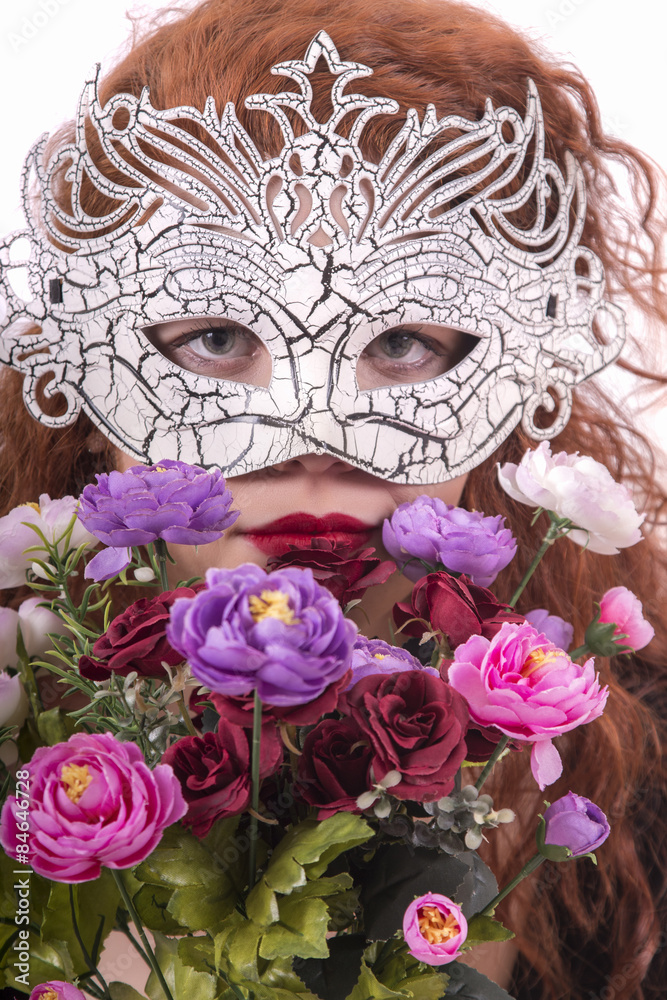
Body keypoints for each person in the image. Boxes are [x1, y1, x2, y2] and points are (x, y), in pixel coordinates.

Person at [0, 1, 665, 997]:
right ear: (87, 392)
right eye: (215, 340)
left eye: (404, 342)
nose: (310, 437)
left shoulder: (647, 768)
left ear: (530, 375)